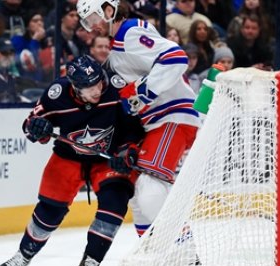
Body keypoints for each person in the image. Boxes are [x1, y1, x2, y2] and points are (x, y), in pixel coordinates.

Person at [0, 55, 144, 266]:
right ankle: (24, 255)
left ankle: (90, 263)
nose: (96, 90)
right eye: (89, 87)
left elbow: (134, 126)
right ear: (75, 87)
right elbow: (30, 125)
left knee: (115, 200)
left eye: (98, 82)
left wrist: (127, 151)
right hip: (68, 157)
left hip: (107, 159)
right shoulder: (57, 94)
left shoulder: (115, 87)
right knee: (49, 210)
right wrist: (38, 128)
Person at [77, 0, 201, 237]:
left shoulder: (130, 33)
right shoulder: (117, 50)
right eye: (87, 23)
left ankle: (185, 257)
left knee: (150, 189)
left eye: (93, 18)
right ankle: (155, 254)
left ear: (109, 10)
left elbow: (176, 58)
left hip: (172, 116)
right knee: (136, 192)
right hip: (155, 124)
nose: (92, 27)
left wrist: (142, 92)